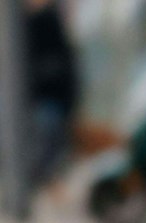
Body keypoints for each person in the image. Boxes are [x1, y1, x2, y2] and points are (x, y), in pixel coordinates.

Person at [24, 0, 80, 199]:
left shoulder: (48, 21)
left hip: (48, 96)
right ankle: (43, 179)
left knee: (50, 134)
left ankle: (44, 178)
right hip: (41, 96)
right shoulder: (30, 23)